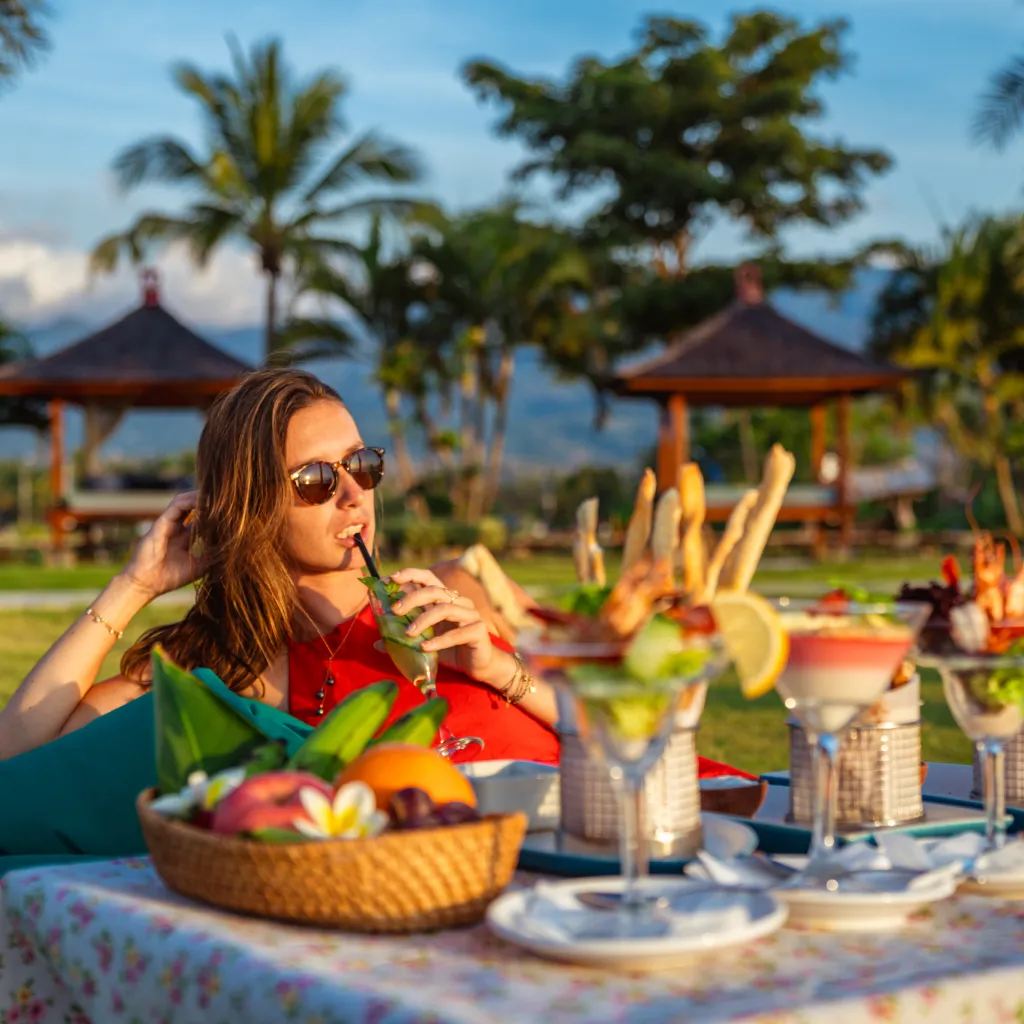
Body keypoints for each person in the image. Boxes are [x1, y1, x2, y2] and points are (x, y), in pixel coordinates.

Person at [0, 367, 559, 765]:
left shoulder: (457, 594)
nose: (352, 493)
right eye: (315, 479)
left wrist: (501, 672)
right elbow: (21, 757)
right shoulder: (228, 677)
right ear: (253, 509)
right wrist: (133, 586)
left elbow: (622, 724)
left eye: (361, 464)